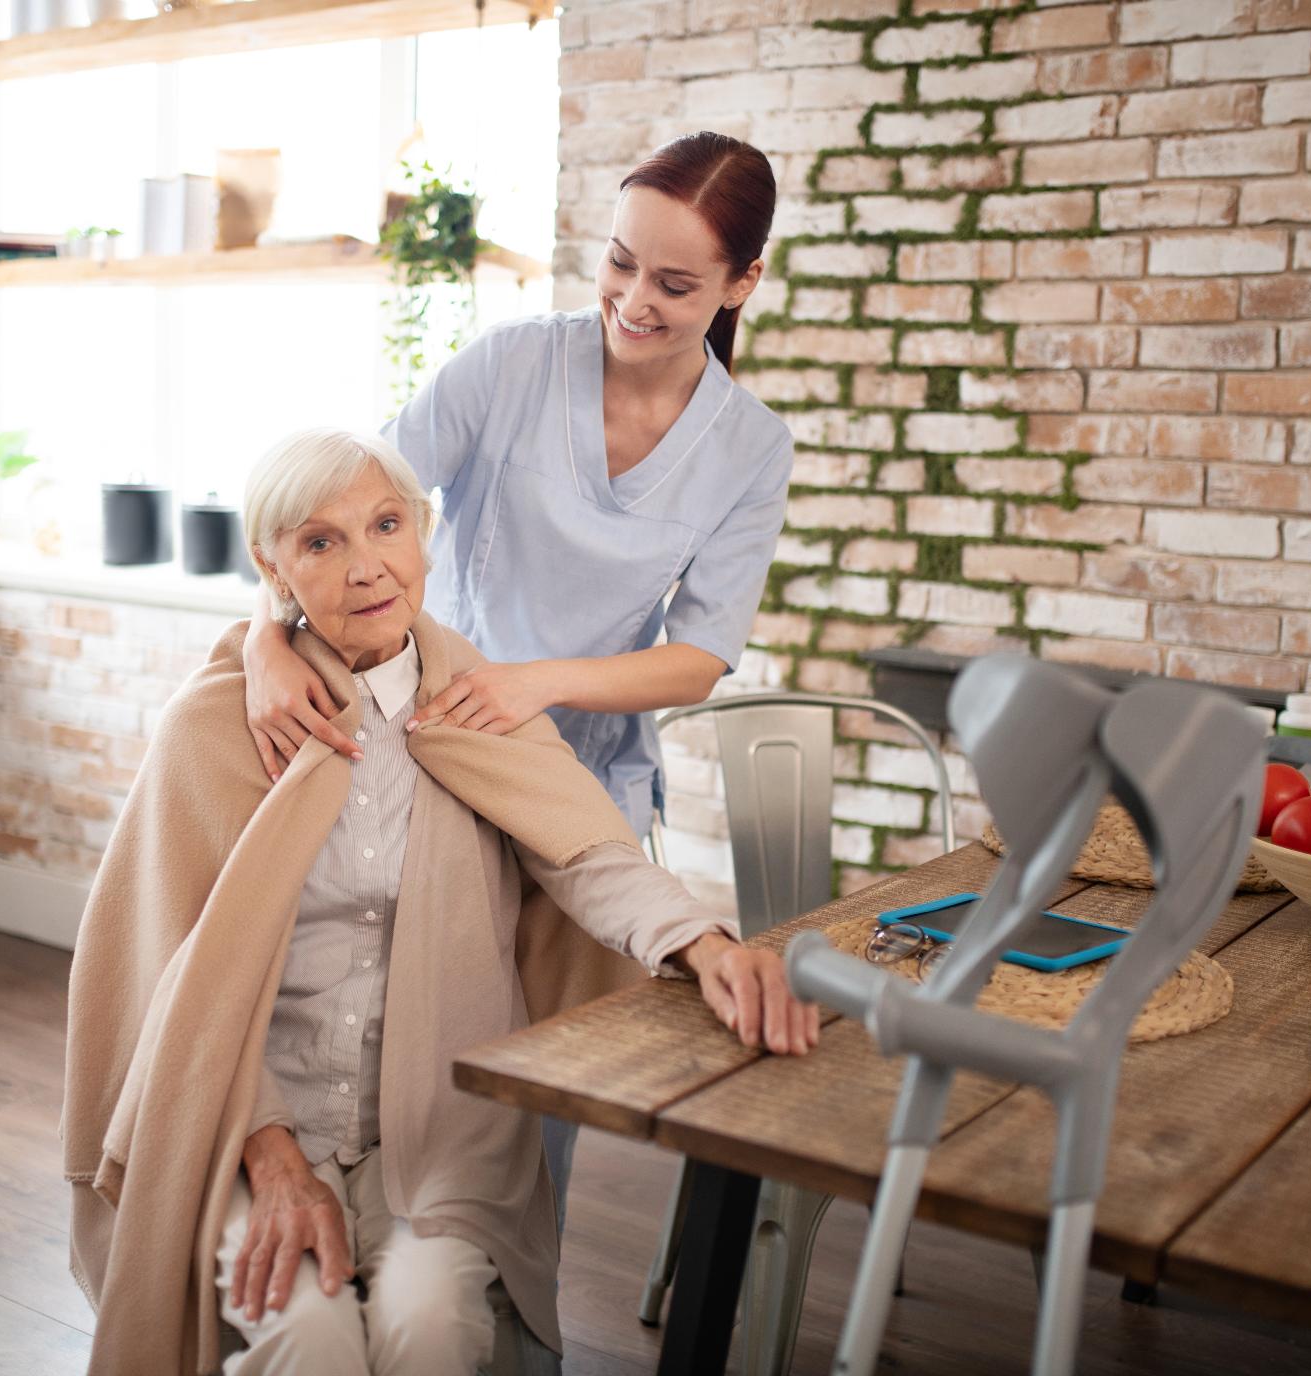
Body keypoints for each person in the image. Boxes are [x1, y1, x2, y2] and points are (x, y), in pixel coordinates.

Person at [62, 429, 819, 1376]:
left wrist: (707, 945)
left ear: (424, 535)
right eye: (321, 542)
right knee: (309, 1332)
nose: (366, 567)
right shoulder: (214, 725)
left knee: (430, 1324)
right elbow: (170, 973)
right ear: (275, 569)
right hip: (250, 1124)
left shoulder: (474, 702)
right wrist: (270, 1151)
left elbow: (587, 855)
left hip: (437, 1131)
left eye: (387, 526)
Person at [243, 131, 794, 1214]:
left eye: (676, 283)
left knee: (544, 1088)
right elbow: (345, 504)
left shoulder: (751, 449)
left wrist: (537, 682)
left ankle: (506, 1321)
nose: (633, 299)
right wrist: (266, 634)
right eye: (621, 261)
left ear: (743, 283)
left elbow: (697, 656)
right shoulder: (510, 366)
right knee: (406, 1043)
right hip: (430, 749)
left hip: (582, 781)